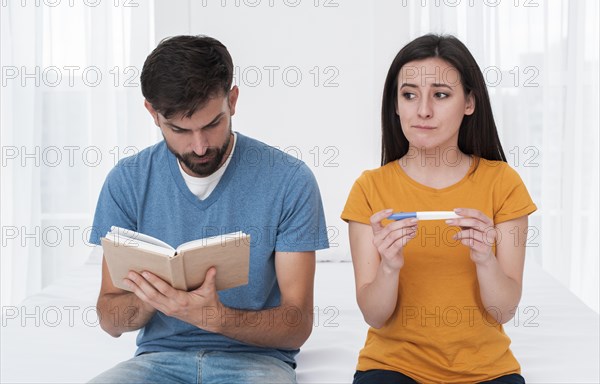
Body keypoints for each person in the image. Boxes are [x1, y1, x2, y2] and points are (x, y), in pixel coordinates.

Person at [88, 35, 329, 383]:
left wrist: (216, 317)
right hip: (158, 361)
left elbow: (297, 325)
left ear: (232, 100)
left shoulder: (290, 180)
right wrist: (154, 299)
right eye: (180, 130)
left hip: (257, 363)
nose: (199, 146)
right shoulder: (127, 181)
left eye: (212, 124)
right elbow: (110, 320)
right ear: (153, 114)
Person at [341, 34, 537, 384]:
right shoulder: (369, 189)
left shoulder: (503, 183)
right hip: (391, 367)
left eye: (441, 95)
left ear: (469, 103)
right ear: (396, 105)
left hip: (487, 371)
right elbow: (374, 315)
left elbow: (503, 310)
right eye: (409, 95)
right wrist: (389, 267)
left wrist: (485, 260)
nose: (423, 111)